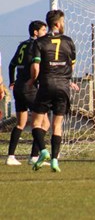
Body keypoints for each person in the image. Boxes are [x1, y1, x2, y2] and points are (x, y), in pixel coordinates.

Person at [29, 9, 79, 172]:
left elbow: (35, 67)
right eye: (63, 22)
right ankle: (55, 161)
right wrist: (66, 79)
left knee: (36, 122)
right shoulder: (69, 41)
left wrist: (32, 81)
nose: (63, 25)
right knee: (57, 125)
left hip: (46, 85)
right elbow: (71, 65)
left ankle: (43, 151)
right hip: (63, 87)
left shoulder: (40, 42)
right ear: (57, 23)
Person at [6, 21, 51, 166]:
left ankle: (11, 156)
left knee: (21, 123)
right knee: (44, 122)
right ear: (36, 32)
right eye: (44, 30)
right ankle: (34, 156)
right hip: (29, 88)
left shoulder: (22, 45)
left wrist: (12, 81)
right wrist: (36, 81)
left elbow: (12, 64)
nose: (46, 32)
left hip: (19, 87)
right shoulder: (35, 46)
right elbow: (35, 67)